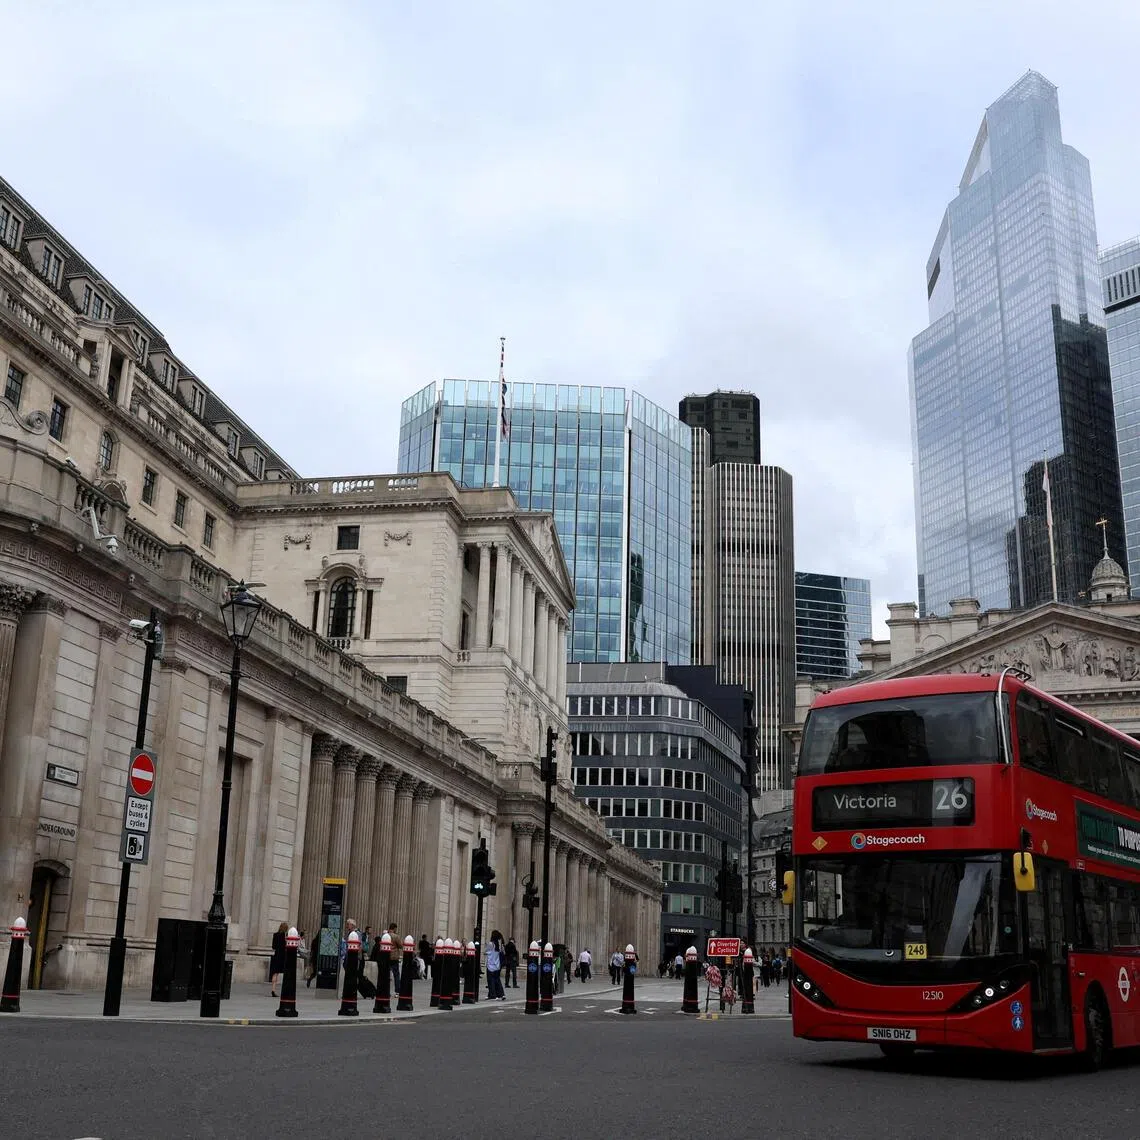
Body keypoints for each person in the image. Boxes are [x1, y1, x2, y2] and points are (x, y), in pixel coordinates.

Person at [270, 922, 287, 997]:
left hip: (276, 955)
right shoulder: (284, 936)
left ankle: (273, 989)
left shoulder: (275, 935)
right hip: (282, 956)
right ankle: (284, 990)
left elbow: (273, 947)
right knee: (284, 973)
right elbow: (285, 947)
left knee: (275, 973)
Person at [486, 932, 505, 1000]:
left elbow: (486, 952)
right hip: (497, 965)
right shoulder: (498, 945)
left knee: (490, 981)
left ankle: (493, 994)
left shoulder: (491, 944)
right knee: (497, 980)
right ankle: (501, 994)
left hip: (490, 965)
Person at [386, 922, 401, 990]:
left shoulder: (385, 935)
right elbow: (400, 946)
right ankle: (397, 990)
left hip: (387, 956)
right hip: (394, 957)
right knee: (396, 975)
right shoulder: (396, 936)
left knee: (387, 974)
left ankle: (386, 990)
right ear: (394, 928)